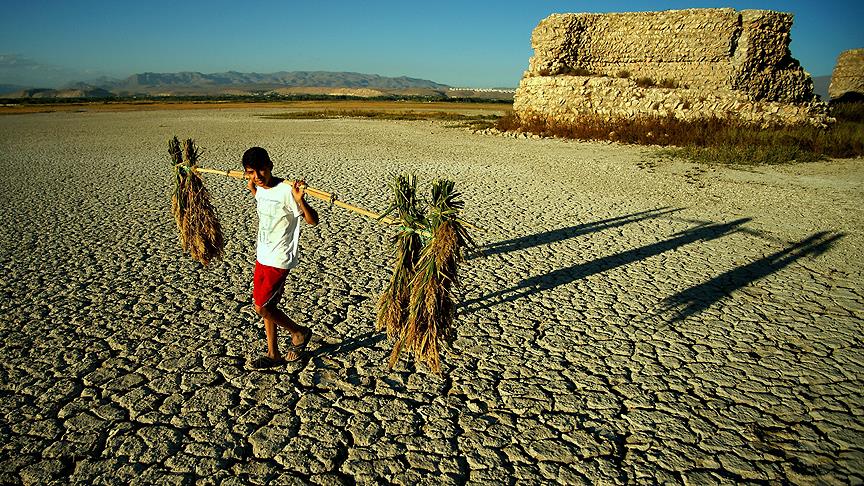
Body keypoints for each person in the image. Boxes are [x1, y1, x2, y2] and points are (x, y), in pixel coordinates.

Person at [242, 146, 319, 369]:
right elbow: (263, 199)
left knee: (262, 307)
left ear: (270, 166)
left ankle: (298, 333)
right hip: (262, 255)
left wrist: (300, 199)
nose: (257, 177)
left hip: (279, 258)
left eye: (261, 171)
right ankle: (273, 353)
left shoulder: (286, 191)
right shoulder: (259, 188)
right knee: (270, 305)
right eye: (251, 172)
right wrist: (253, 188)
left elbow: (313, 221)